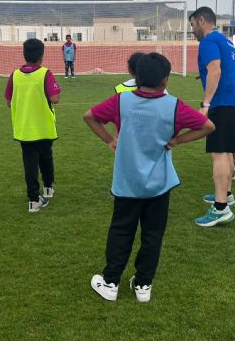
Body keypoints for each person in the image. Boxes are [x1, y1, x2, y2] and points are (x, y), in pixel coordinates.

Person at [83, 53, 214, 302]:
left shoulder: (121, 101)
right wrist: (178, 140)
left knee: (121, 231)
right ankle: (143, 285)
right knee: (153, 234)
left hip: (127, 182)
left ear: (136, 77)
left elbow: (89, 116)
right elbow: (208, 126)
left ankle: (110, 282)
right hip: (158, 184)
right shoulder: (174, 105)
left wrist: (110, 140)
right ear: (165, 80)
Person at [189, 7, 235, 227]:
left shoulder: (208, 42)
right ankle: (227, 195)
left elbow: (215, 70)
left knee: (220, 153)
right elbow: (225, 69)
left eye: (193, 24)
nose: (192, 30)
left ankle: (220, 207)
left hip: (224, 103)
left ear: (202, 20)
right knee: (229, 151)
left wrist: (205, 104)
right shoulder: (226, 41)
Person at [5, 38, 61, 212]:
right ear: (41, 55)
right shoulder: (45, 73)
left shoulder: (15, 75)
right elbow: (55, 98)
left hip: (24, 129)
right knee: (46, 158)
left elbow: (8, 101)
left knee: (29, 163)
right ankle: (48, 188)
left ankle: (33, 200)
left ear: (24, 54)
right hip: (44, 127)